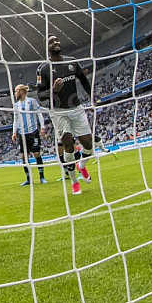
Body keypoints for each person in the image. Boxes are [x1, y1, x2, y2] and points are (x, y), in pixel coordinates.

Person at [37, 35, 94, 195]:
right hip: (59, 112)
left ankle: (81, 165)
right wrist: (53, 90)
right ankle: (75, 182)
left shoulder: (72, 62)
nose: (56, 43)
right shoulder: (43, 68)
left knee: (88, 144)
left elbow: (83, 80)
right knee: (68, 145)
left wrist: (92, 97)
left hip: (76, 107)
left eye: (57, 40)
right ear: (47, 47)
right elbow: (40, 95)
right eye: (51, 42)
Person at [12, 84, 47, 185]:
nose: (15, 94)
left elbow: (39, 114)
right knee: (24, 156)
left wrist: (43, 127)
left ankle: (42, 177)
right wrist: (14, 132)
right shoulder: (16, 105)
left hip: (33, 132)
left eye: (16, 91)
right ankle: (28, 179)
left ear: (21, 92)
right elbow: (16, 120)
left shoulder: (32, 101)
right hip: (22, 133)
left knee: (36, 154)